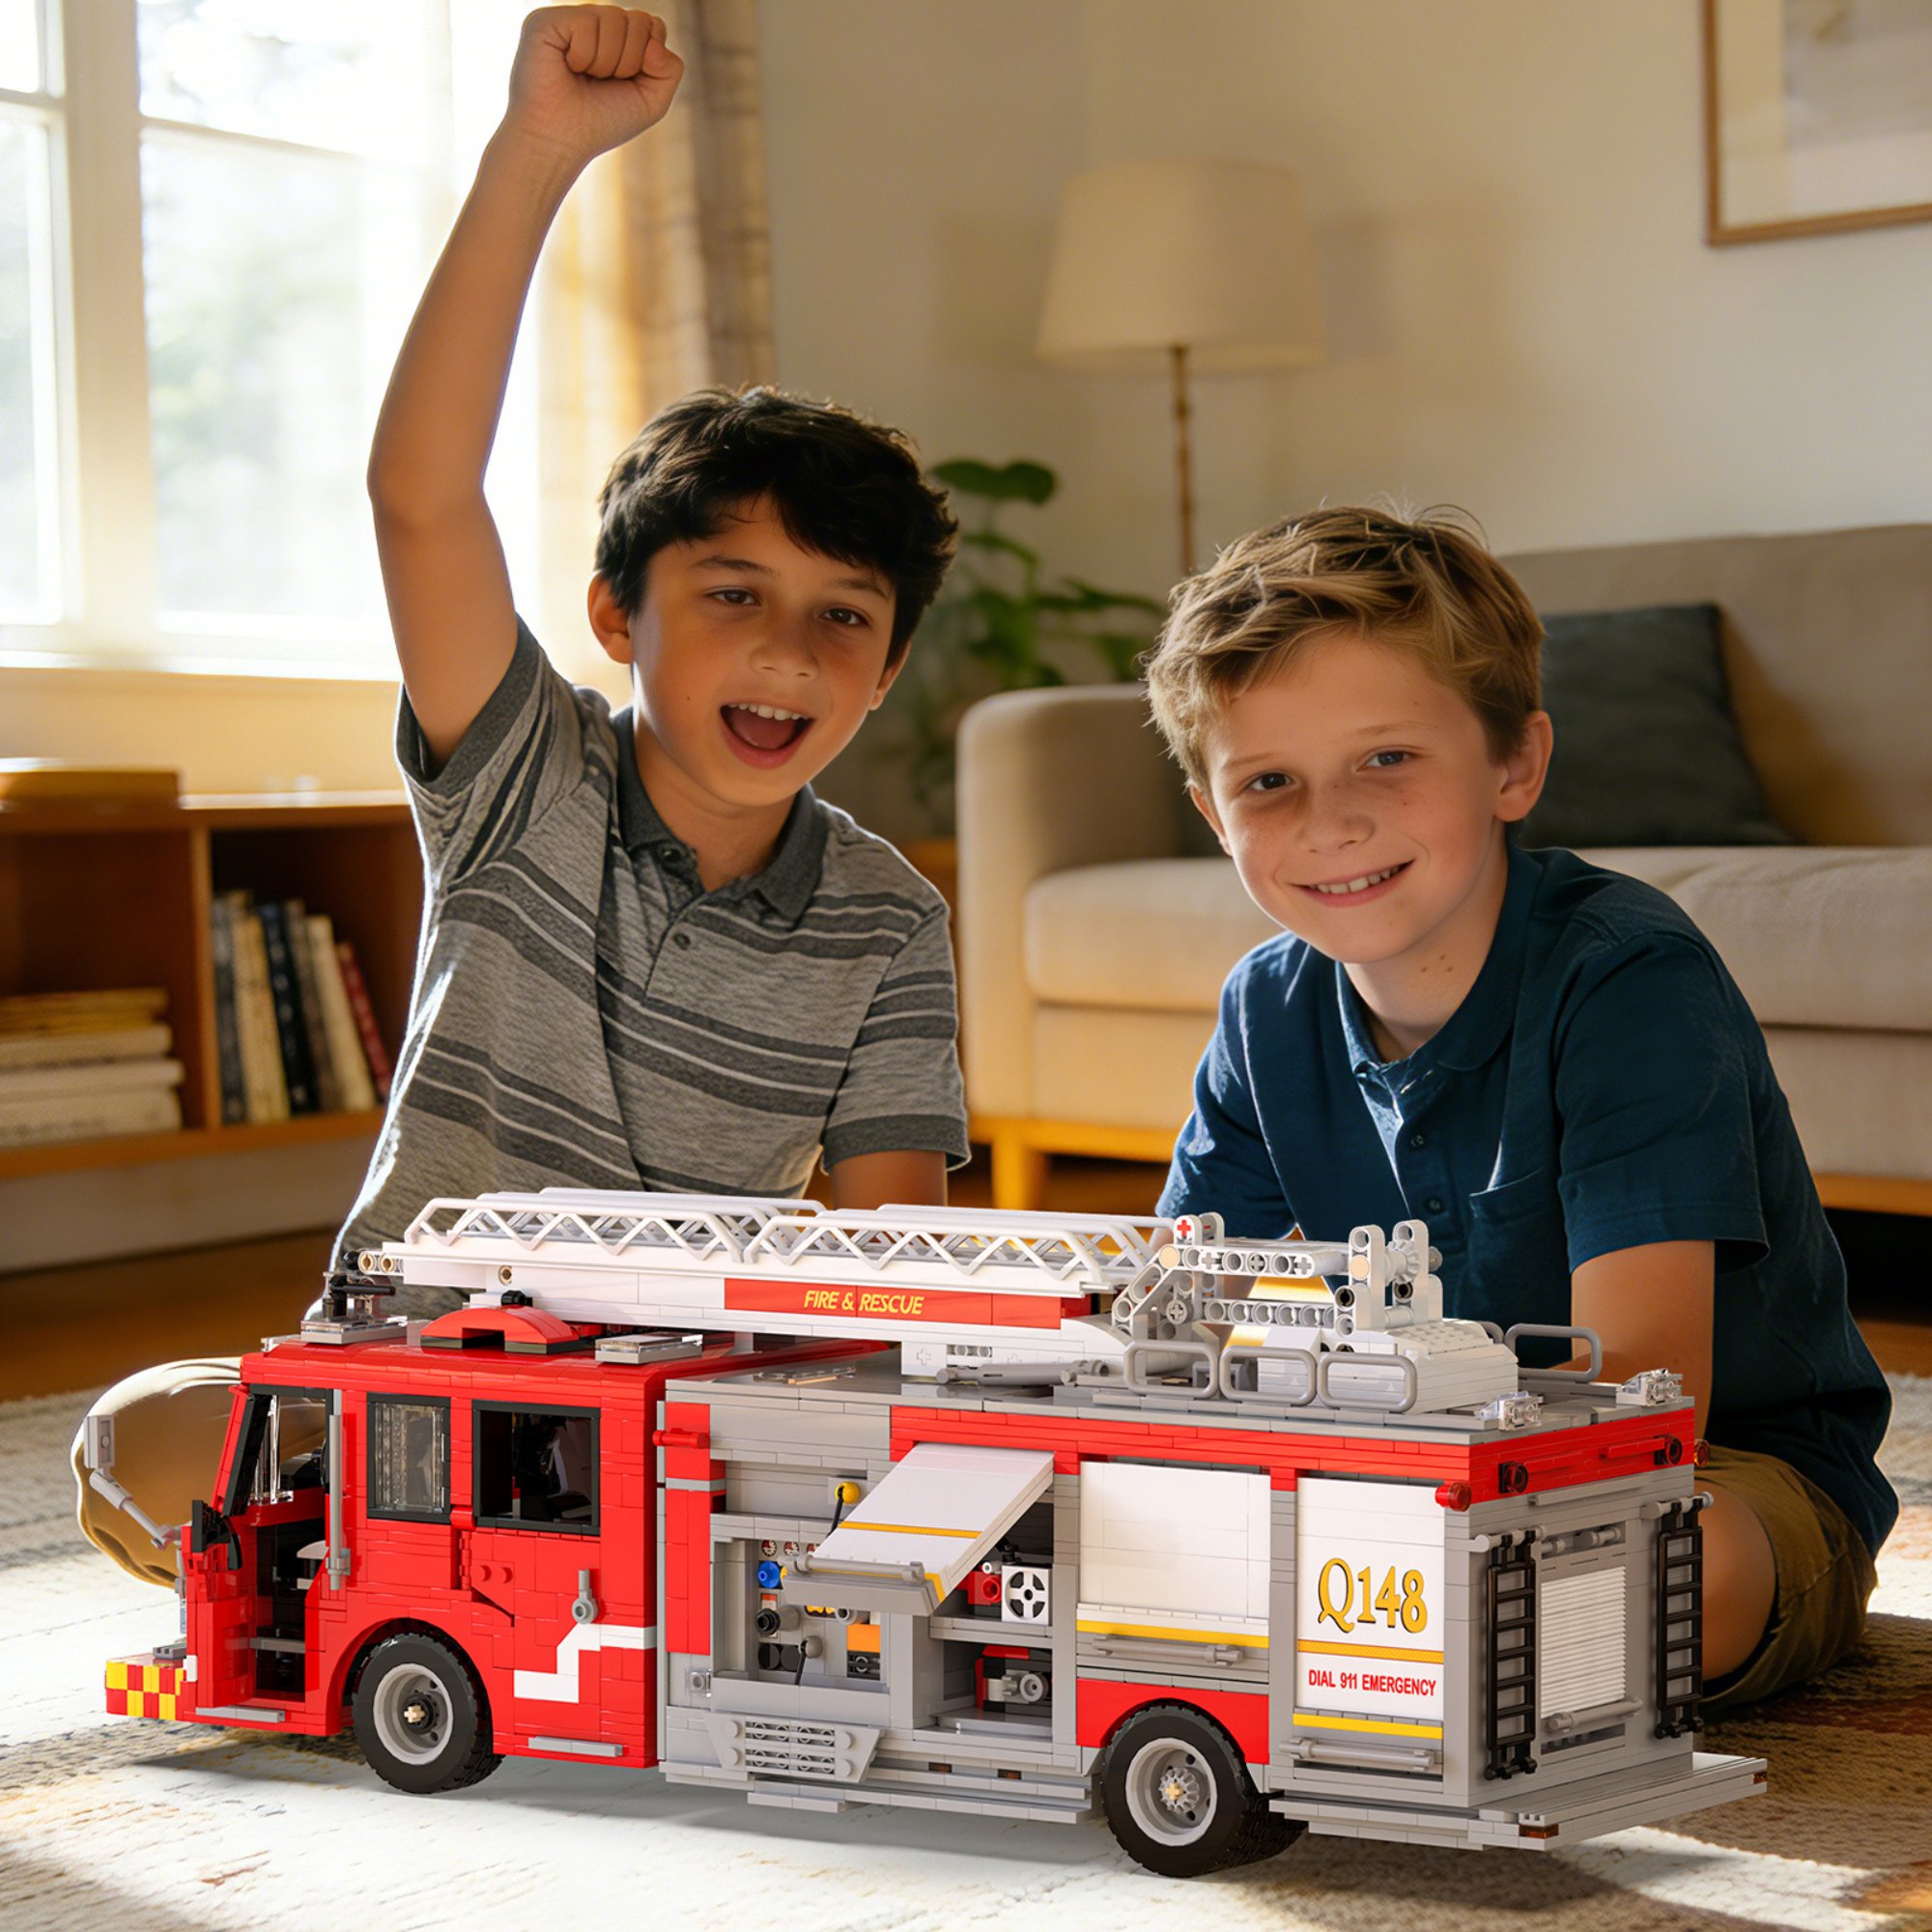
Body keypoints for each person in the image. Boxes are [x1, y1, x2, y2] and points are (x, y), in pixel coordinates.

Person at [76, 7, 967, 1585]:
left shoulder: (891, 919)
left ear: (884, 672)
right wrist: (539, 152)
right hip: (423, 1364)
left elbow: (893, 1250)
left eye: (845, 616)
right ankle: (431, 1551)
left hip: (671, 1407)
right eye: (733, 595)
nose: (788, 654)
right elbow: (419, 497)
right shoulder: (521, 779)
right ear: (620, 620)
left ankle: (538, 1558)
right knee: (145, 1432)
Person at [1143, 503, 1894, 1711]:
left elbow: (1641, 1398)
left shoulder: (1627, 976)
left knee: (1638, 1579)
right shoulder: (1261, 1011)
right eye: (1268, 781)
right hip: (1404, 1469)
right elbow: (1175, 1317)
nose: (1328, 820)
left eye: (1385, 758)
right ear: (1210, 811)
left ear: (1514, 764)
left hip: (1709, 1469)